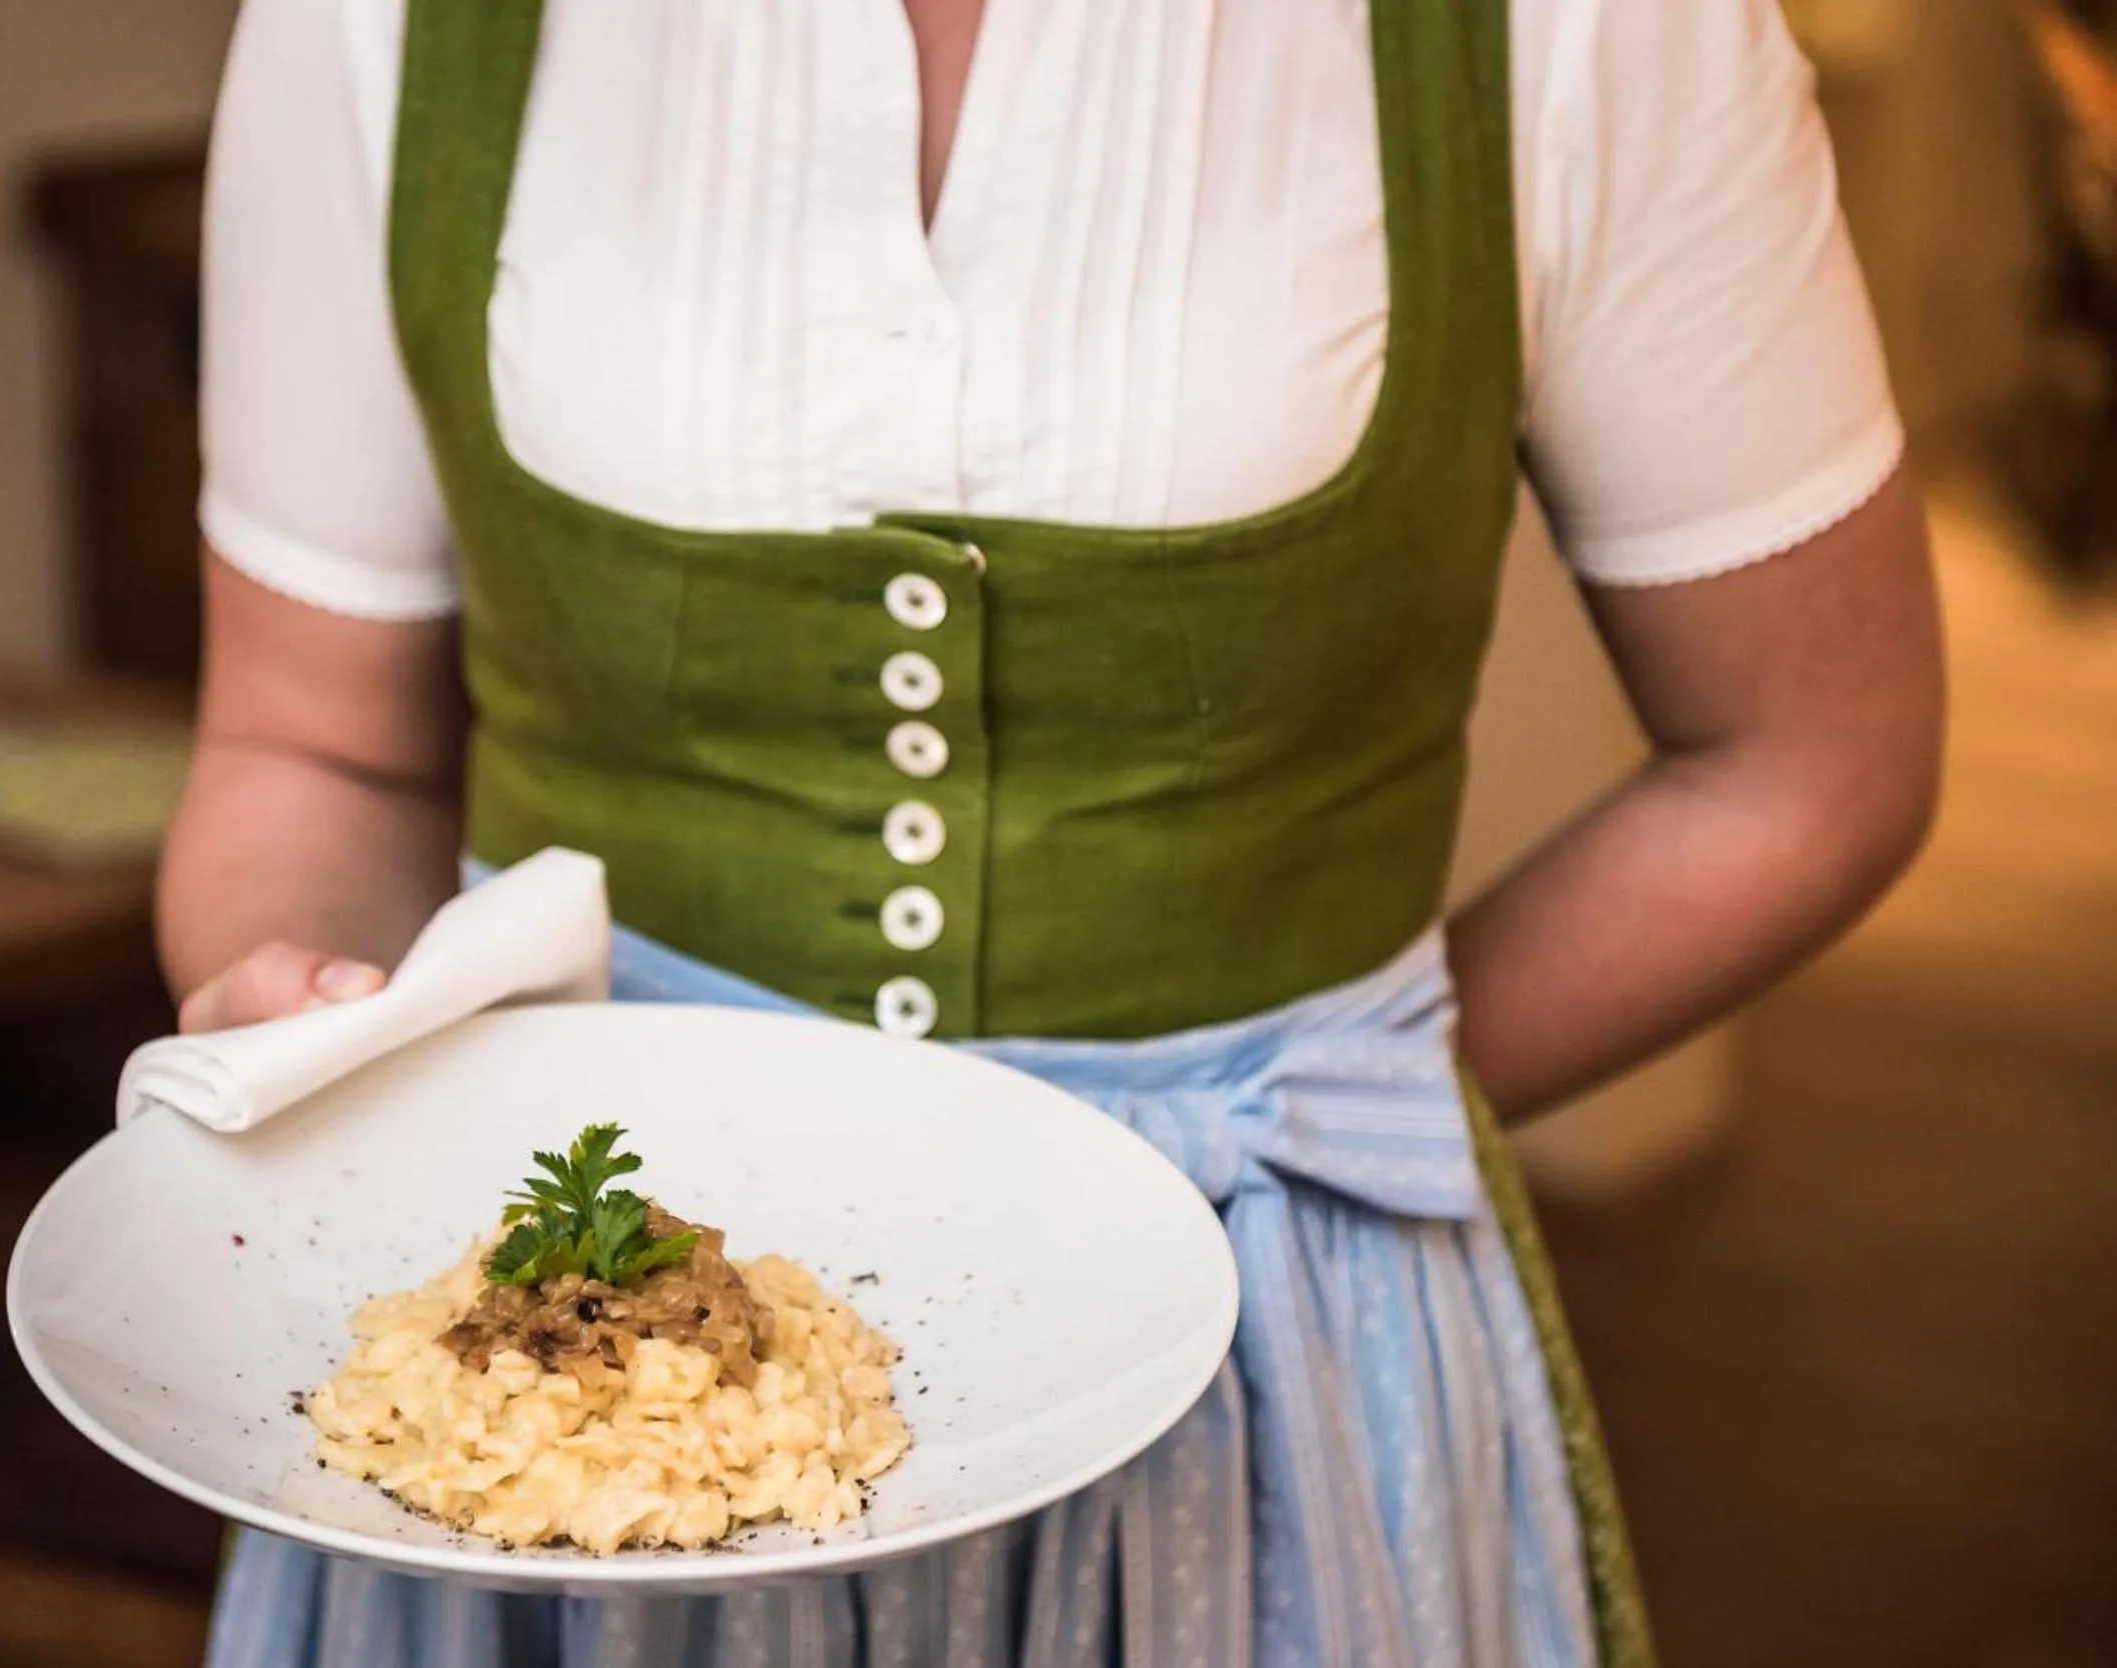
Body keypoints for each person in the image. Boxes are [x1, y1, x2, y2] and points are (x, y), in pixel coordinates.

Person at [164, 0, 1943, 1661]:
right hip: (574, 1411)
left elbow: (1809, 759)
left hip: (1278, 1375)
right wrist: (309, 1032)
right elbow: (312, 750)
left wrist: (1357, 1092)